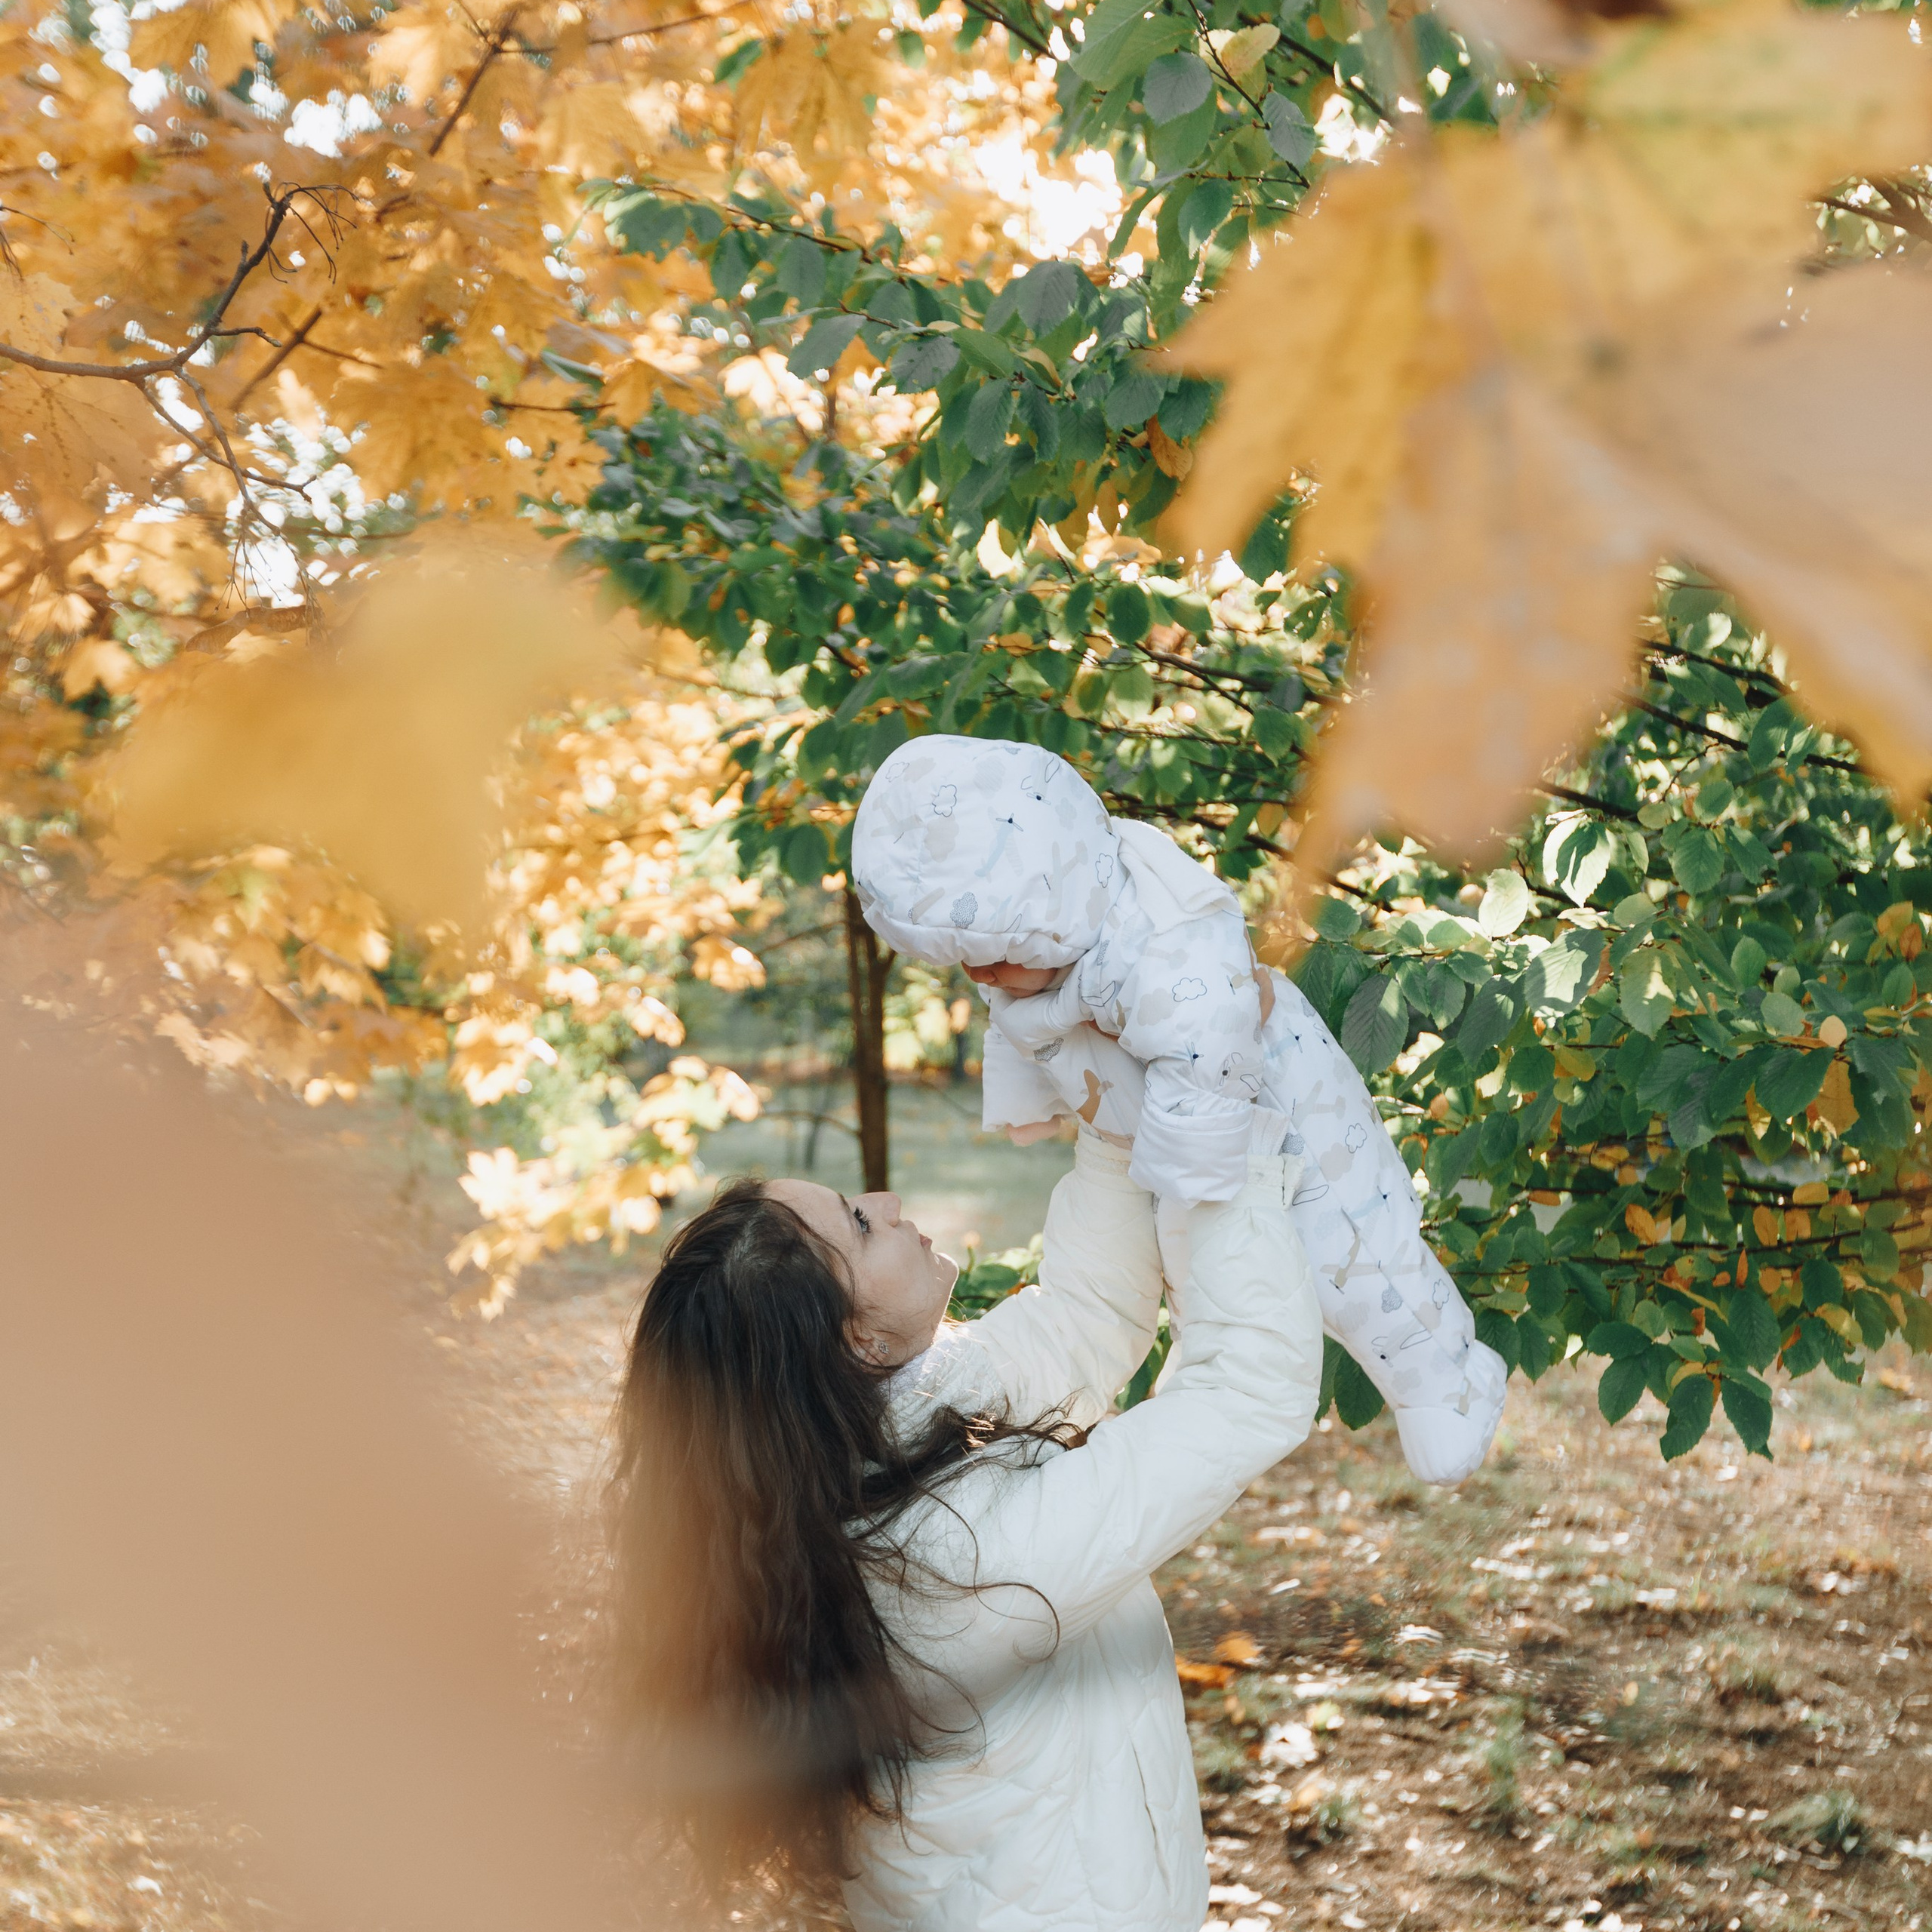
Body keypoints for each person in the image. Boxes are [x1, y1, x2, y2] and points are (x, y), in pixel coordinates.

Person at [608, 1112, 1321, 1930]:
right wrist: (1225, 1150)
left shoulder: (887, 1426)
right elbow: (1247, 1395)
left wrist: (1112, 1130)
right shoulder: (957, 1564)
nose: (888, 1197)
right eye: (861, 1223)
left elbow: (1083, 1322)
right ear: (859, 1340)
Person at [850, 733, 1506, 1487]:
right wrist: (1029, 1100)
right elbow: (1014, 1021)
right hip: (1163, 1145)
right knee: (1203, 1273)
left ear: (1053, 912)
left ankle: (1444, 1374)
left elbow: (1209, 1039)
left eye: (995, 956)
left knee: (1353, 1249)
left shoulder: (1161, 938)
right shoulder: (1021, 959)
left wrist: (1191, 1169)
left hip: (1279, 1101)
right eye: (965, 958)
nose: (982, 974)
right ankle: (1208, 1372)